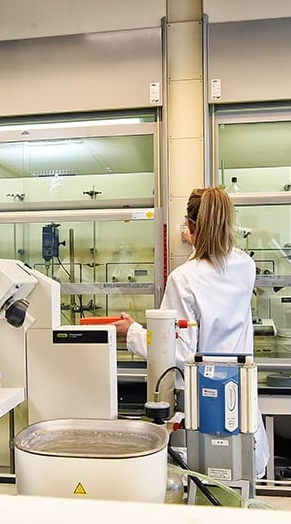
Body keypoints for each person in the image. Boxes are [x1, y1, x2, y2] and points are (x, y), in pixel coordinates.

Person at [114, 186, 270, 478]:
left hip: (205, 409)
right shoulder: (246, 266)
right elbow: (217, 268)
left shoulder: (183, 279)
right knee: (240, 490)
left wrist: (131, 331)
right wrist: (196, 244)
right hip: (241, 405)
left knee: (206, 492)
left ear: (191, 225)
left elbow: (176, 353)